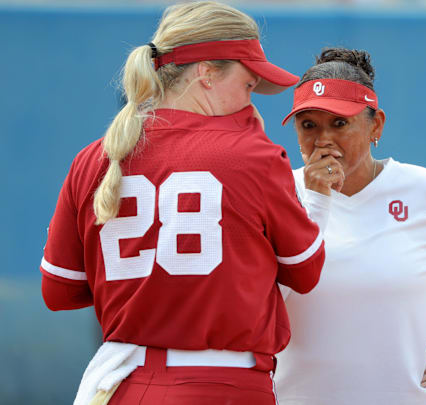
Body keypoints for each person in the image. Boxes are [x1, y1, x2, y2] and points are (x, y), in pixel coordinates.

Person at [38, 2, 325, 404]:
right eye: (247, 83)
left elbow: (59, 291)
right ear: (206, 73)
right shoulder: (253, 155)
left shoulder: (93, 158)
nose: (251, 99)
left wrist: (151, 289)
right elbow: (306, 272)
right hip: (225, 386)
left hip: (123, 385)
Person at [272, 47, 426, 405]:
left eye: (339, 123)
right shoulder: (277, 193)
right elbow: (260, 303)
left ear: (376, 125)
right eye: (308, 125)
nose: (323, 139)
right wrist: (316, 202)